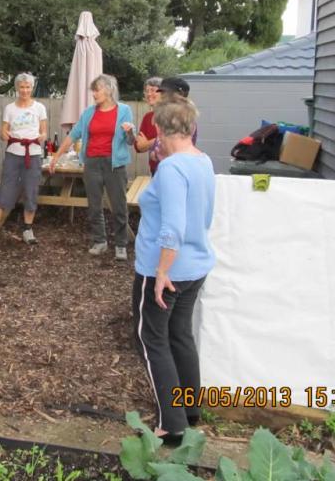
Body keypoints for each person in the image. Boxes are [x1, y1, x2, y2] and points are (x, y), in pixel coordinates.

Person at [131, 95, 216, 444]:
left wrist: (162, 272)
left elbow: (173, 227)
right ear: (191, 127)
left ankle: (172, 425)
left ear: (162, 129)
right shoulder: (203, 160)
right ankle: (190, 409)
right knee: (180, 333)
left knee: (151, 338)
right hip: (196, 266)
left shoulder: (171, 168)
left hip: (164, 270)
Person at [49, 74, 134, 261]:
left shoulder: (124, 110)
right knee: (94, 205)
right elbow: (73, 135)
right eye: (93, 90)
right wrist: (56, 156)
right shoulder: (88, 113)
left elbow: (130, 141)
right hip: (92, 163)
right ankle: (100, 241)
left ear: (109, 90)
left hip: (115, 164)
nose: (94, 94)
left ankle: (121, 244)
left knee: (119, 205)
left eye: (97, 90)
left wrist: (130, 132)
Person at [0, 73, 47, 245]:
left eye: (28, 87)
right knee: (5, 188)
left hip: (33, 154)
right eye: (22, 87)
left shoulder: (39, 108)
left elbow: (44, 131)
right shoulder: (10, 108)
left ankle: (27, 229)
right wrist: (4, 134)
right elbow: (3, 132)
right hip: (13, 153)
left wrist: (42, 137)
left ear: (32, 88)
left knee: (31, 191)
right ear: (17, 88)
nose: (25, 90)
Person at [132, 77, 162, 175]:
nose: (149, 94)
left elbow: (171, 141)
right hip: (154, 169)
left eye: (153, 90)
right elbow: (138, 147)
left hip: (171, 169)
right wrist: (156, 141)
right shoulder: (148, 117)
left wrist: (148, 143)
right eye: (146, 91)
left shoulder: (172, 115)